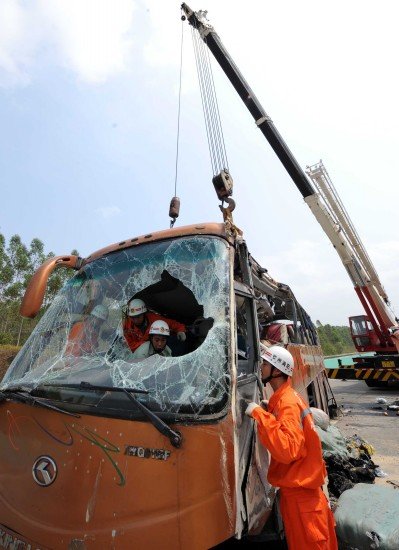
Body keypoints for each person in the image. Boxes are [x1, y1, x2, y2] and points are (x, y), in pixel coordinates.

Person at [245, 344, 338, 550]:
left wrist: (260, 415)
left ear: (277, 370)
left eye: (265, 364)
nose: (261, 367)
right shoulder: (287, 399)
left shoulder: (287, 403)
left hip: (302, 500)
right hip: (303, 497)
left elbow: (287, 450)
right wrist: (270, 410)